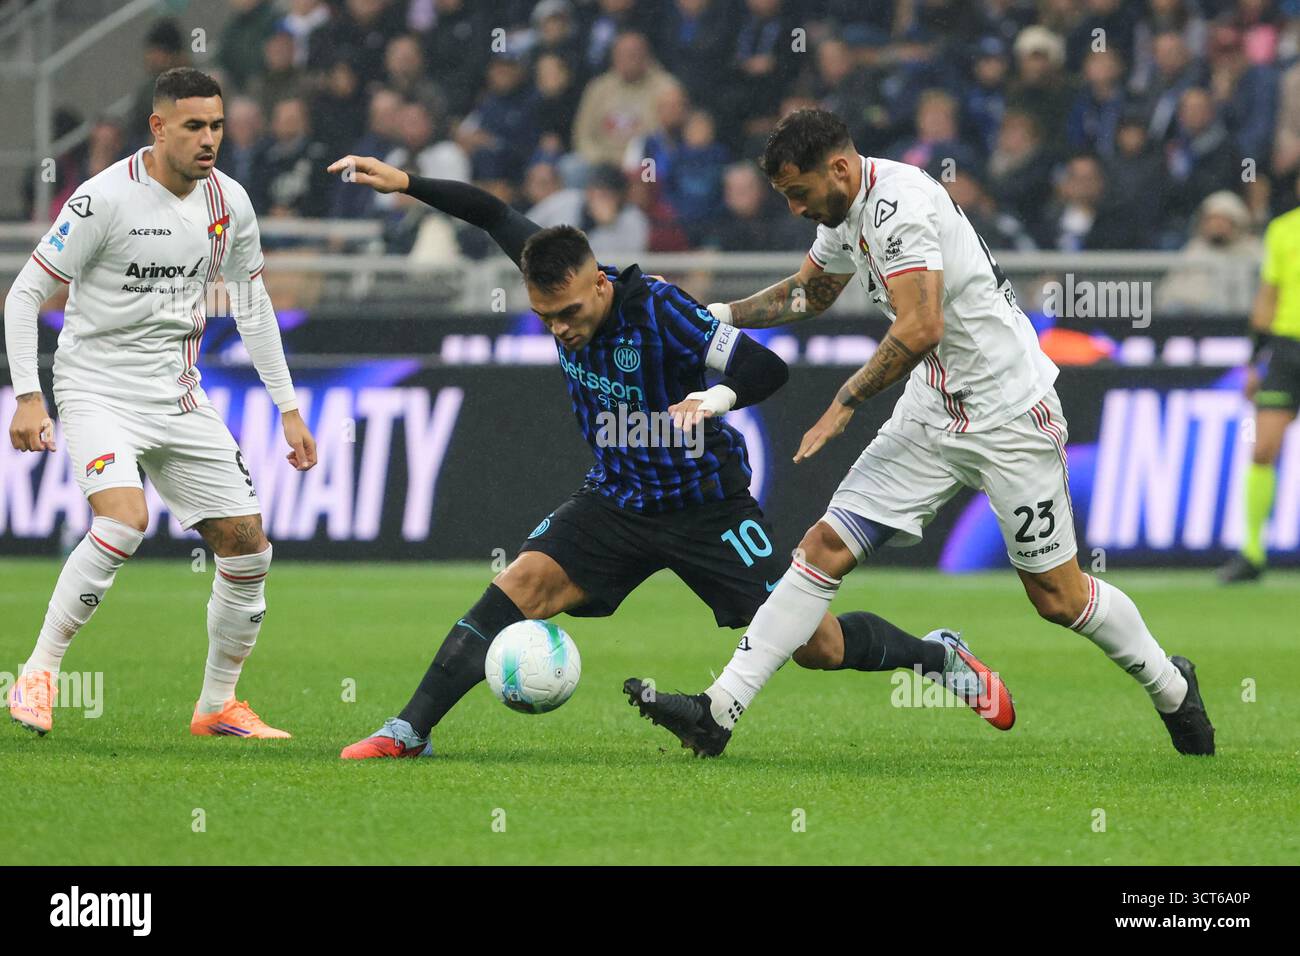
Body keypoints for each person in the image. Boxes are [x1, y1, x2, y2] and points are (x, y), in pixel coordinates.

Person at [324, 153, 1004, 759]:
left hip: (706, 507)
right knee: (521, 584)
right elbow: (492, 212)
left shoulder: (661, 312)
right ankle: (407, 731)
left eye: (565, 313)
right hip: (616, 498)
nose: (560, 330)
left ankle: (933, 656)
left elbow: (767, 370)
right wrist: (407, 183)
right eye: (545, 319)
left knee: (816, 645)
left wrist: (713, 401)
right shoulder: (551, 261)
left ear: (597, 283)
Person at [626, 109, 1215, 758]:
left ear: (840, 169)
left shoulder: (898, 207)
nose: (794, 208)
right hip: (934, 407)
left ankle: (1170, 685)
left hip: (1010, 411)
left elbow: (920, 326)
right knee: (823, 546)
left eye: (797, 192)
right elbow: (808, 294)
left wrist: (845, 400)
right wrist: (709, 318)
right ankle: (719, 710)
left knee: (1058, 596)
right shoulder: (844, 209)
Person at [5, 68, 317, 738]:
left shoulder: (228, 202)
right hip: (95, 389)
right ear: (159, 127)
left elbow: (254, 308)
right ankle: (39, 672)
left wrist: (288, 409)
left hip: (178, 395)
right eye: (193, 127)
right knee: (123, 522)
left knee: (247, 548)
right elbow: (24, 295)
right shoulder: (102, 201)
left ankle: (217, 705)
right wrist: (29, 396)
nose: (209, 140)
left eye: (216, 126)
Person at [1219, 183, 1300, 583]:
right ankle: (1252, 553)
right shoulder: (1283, 230)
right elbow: (1269, 295)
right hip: (1287, 350)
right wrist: (1254, 361)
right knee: (1264, 448)